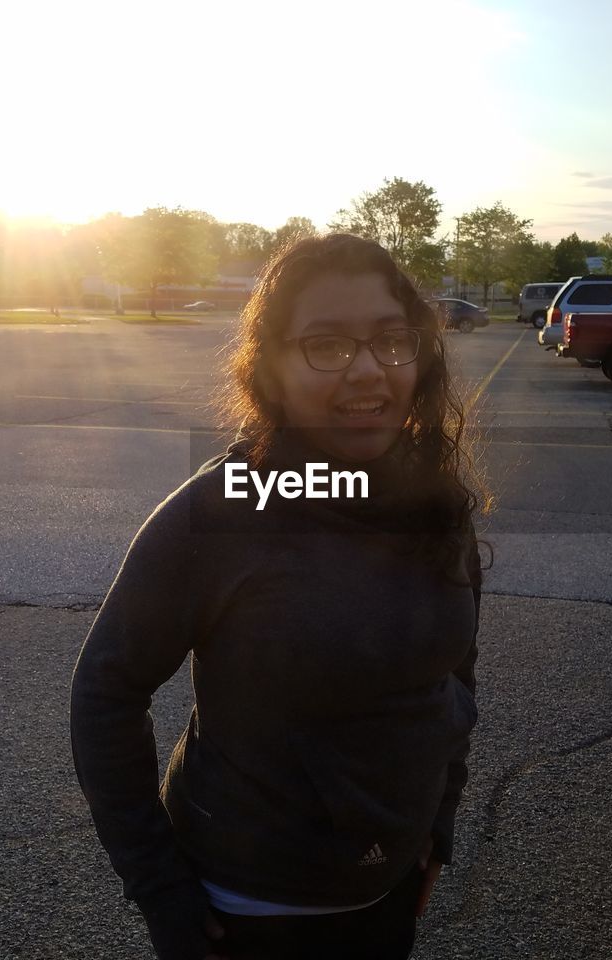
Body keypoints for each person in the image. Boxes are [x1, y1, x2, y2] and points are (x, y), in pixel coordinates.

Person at [70, 233, 486, 960]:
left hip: (387, 895)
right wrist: (160, 890)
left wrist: (439, 822)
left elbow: (455, 676)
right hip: (246, 913)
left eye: (393, 339)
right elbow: (106, 692)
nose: (367, 371)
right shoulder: (221, 514)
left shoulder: (434, 503)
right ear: (271, 367)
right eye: (325, 345)